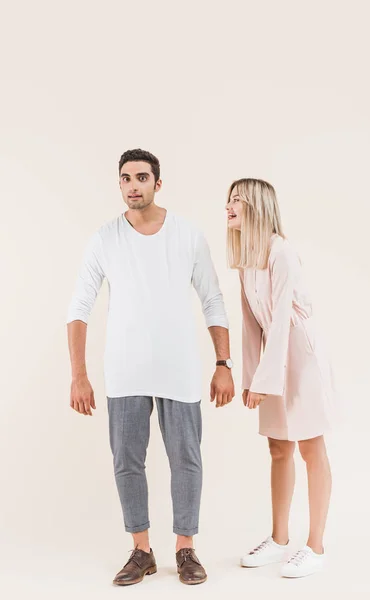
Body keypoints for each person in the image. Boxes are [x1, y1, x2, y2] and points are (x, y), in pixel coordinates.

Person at [67, 149, 235, 586]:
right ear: (119, 185)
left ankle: (185, 548)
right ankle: (141, 549)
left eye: (142, 177)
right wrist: (78, 375)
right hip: (125, 370)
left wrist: (223, 363)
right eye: (126, 178)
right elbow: (79, 307)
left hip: (179, 368)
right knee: (127, 461)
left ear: (158, 184)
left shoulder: (187, 235)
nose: (133, 185)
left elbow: (213, 299)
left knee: (186, 459)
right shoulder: (104, 238)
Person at [226, 178, 336, 578]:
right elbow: (251, 325)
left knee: (310, 447)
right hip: (273, 357)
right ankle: (279, 538)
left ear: (257, 206)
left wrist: (264, 382)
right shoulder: (245, 259)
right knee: (278, 447)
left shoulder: (282, 252)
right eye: (229, 200)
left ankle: (316, 545)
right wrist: (251, 377)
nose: (229, 206)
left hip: (299, 355)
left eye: (237, 200)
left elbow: (284, 326)